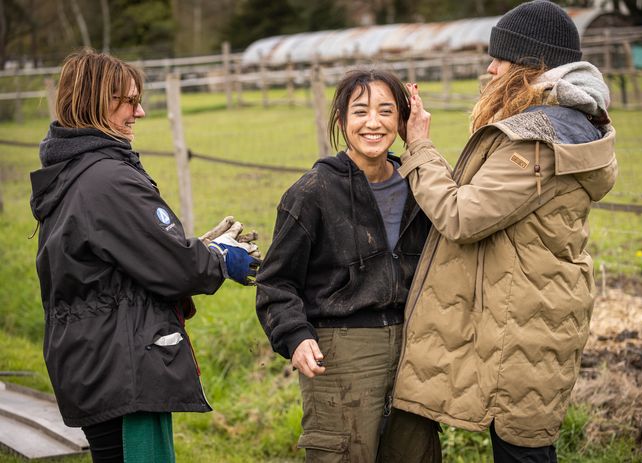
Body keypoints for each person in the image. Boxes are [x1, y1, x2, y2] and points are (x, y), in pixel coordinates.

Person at [390, 1, 618, 462]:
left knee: (522, 450)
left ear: (531, 64)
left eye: (501, 57)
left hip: (526, 324)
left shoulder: (539, 138)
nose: (490, 68)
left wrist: (418, 147)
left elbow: (461, 216)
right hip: (532, 310)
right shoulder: (569, 123)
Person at [29, 49, 260, 463]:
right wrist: (221, 260)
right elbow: (174, 268)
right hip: (123, 372)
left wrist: (195, 249)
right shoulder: (107, 179)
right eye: (128, 101)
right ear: (94, 103)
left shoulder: (76, 171)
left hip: (96, 362)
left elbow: (135, 256)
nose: (140, 112)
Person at [256, 69, 440, 462]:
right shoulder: (312, 192)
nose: (373, 123)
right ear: (341, 121)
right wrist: (295, 336)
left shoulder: (422, 187)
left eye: (386, 111)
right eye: (360, 111)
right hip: (341, 356)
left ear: (402, 121)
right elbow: (276, 283)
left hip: (414, 352)